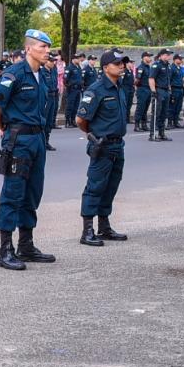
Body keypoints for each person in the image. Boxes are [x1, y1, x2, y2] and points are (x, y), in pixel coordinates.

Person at [0, 29, 55, 270]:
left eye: (48, 47)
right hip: (19, 140)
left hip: (37, 139)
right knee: (13, 193)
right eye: (42, 47)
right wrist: (4, 126)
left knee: (33, 192)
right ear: (28, 49)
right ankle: (6, 249)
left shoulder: (42, 76)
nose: (47, 51)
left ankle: (26, 245)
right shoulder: (14, 74)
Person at [76, 49, 131, 246]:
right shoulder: (96, 89)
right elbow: (80, 119)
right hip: (102, 145)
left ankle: (104, 226)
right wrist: (94, 136)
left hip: (118, 144)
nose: (122, 66)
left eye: (123, 62)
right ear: (106, 67)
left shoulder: (119, 87)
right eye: (117, 63)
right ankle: (87, 230)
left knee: (111, 186)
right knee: (95, 186)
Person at [149, 51, 174, 142]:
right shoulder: (157, 65)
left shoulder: (168, 65)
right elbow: (151, 78)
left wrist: (170, 90)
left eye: (169, 55)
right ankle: (153, 135)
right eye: (167, 55)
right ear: (161, 56)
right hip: (158, 90)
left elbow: (168, 79)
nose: (169, 56)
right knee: (156, 113)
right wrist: (153, 91)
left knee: (164, 113)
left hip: (166, 90)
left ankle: (161, 133)